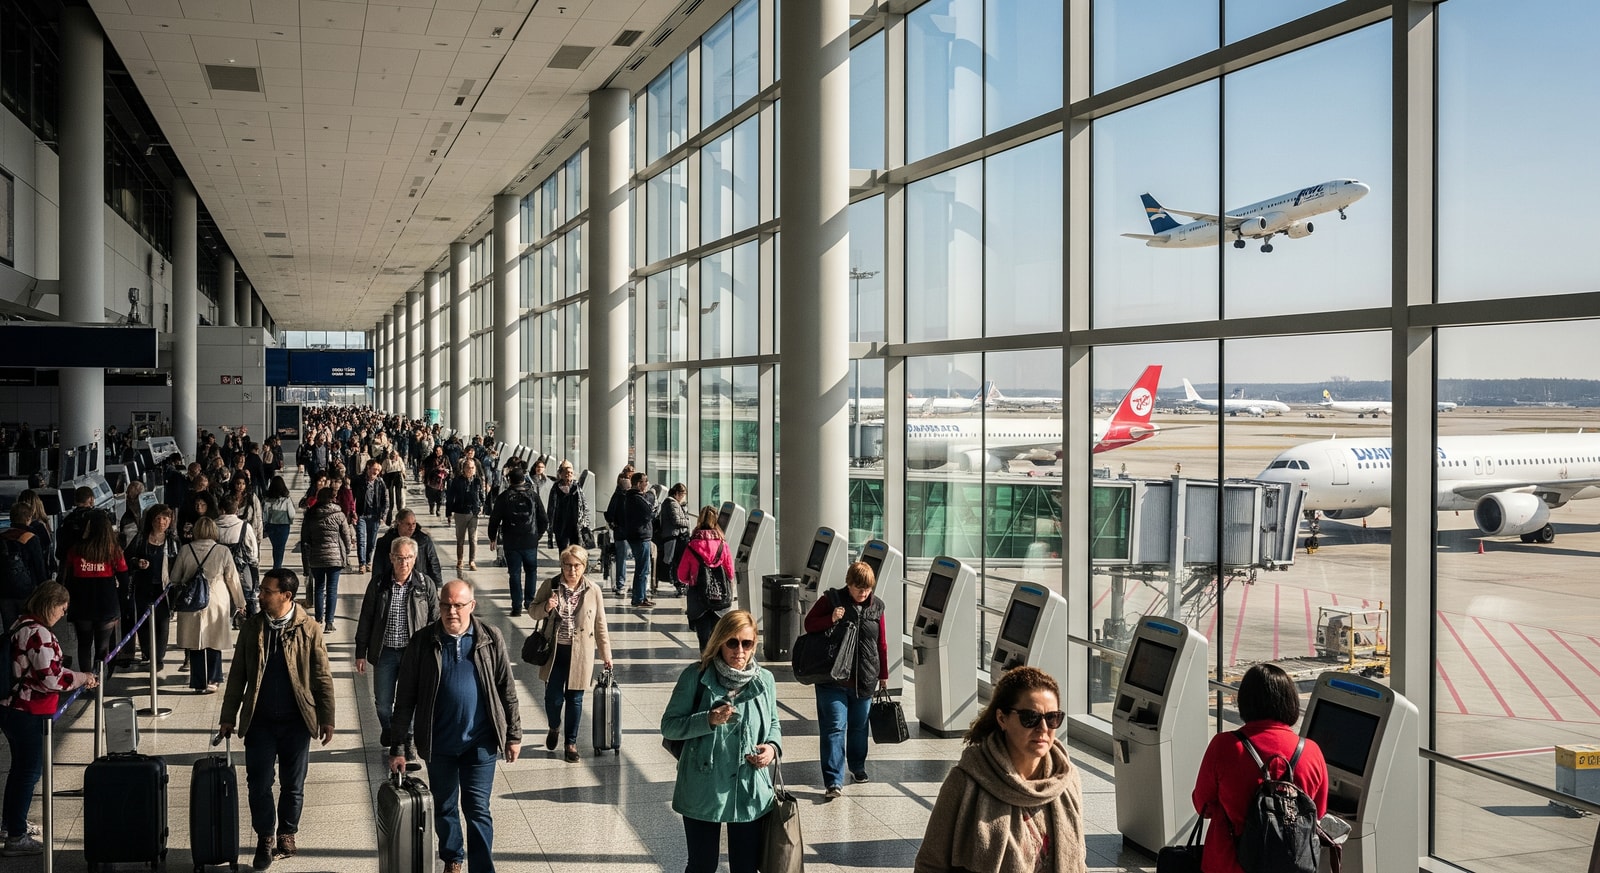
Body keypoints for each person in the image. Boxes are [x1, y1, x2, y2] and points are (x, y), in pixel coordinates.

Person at [388, 580, 521, 873]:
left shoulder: (490, 637)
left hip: (480, 742)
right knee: (445, 806)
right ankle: (453, 858)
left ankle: (482, 868)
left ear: (471, 606)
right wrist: (398, 747)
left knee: (478, 809)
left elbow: (506, 689)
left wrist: (513, 734)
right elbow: (405, 698)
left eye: (458, 605)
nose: (451, 611)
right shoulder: (423, 641)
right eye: (446, 605)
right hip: (440, 744)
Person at [915, 666, 1088, 873]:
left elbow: (1078, 861)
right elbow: (930, 864)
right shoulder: (965, 781)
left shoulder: (1066, 779)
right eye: (1030, 717)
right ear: (1002, 718)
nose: (1043, 728)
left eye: (1052, 718)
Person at [219, 568, 335, 871]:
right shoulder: (252, 627)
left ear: (286, 595)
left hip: (297, 720)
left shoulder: (309, 628)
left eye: (266, 592)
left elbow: (322, 676)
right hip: (260, 720)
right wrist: (228, 716)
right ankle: (265, 836)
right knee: (258, 783)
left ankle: (287, 832)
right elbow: (238, 675)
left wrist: (327, 717)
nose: (260, 595)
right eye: (260, 590)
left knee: (293, 783)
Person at [660, 610, 783, 873]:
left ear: (754, 645)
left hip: (748, 785)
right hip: (703, 785)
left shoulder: (765, 680)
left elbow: (773, 723)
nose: (740, 651)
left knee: (745, 867)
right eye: (732, 643)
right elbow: (669, 725)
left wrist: (772, 749)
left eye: (747, 643)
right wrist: (708, 719)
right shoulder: (695, 676)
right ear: (719, 642)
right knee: (702, 865)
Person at [1192, 663, 1329, 873]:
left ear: (1244, 702)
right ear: (1290, 702)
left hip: (1228, 864)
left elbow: (1203, 805)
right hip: (1291, 865)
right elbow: (1317, 811)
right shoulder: (1311, 751)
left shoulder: (1225, 746)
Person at [1, 582, 98, 855]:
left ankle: (12, 824)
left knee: (20, 770)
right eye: (62, 608)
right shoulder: (39, 633)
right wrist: (82, 678)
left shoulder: (21, 623)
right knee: (30, 772)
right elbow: (51, 678)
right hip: (28, 710)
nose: (63, 614)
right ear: (49, 604)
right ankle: (16, 837)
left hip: (12, 706)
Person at [803, 561, 890, 797]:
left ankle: (857, 766)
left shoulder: (877, 606)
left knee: (859, 727)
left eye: (867, 589)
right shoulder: (831, 600)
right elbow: (809, 624)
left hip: (865, 678)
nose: (863, 593)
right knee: (834, 727)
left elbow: (881, 643)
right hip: (832, 679)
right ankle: (833, 781)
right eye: (859, 588)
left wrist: (883, 674)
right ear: (848, 584)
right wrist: (831, 618)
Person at [355, 536, 441, 755]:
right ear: (391, 558)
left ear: (415, 558)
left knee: (411, 700)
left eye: (409, 557)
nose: (404, 562)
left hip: (413, 653)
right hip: (385, 652)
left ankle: (406, 739)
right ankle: (390, 729)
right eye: (400, 558)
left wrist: (434, 651)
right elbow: (366, 617)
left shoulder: (425, 584)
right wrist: (360, 652)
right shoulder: (378, 584)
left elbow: (435, 619)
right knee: (383, 703)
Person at [528, 545, 611, 762]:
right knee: (553, 698)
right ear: (561, 565)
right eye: (567, 565)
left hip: (581, 653)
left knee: (575, 699)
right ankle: (554, 726)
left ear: (584, 566)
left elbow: (600, 624)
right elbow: (532, 611)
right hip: (555, 652)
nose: (572, 570)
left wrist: (606, 655)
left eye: (577, 566)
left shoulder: (593, 590)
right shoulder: (551, 585)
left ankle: (570, 743)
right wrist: (546, 607)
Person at [170, 517, 247, 693]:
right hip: (216, 598)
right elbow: (232, 578)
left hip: (192, 600)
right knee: (214, 641)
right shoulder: (222, 550)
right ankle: (214, 679)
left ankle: (198, 682)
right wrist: (240, 602)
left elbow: (174, 577)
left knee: (195, 642)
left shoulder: (186, 550)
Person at [60, 514, 127, 677]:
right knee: (102, 647)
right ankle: (99, 680)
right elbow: (124, 577)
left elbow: (68, 578)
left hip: (81, 604)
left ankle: (86, 680)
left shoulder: (76, 550)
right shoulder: (113, 551)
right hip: (106, 605)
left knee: (84, 645)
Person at [123, 503, 178, 669]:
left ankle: (158, 658)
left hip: (164, 589)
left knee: (162, 623)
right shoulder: (141, 538)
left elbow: (178, 563)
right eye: (158, 518)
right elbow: (127, 558)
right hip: (143, 587)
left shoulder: (173, 541)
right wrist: (137, 562)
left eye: (165, 518)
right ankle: (147, 652)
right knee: (143, 622)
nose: (161, 522)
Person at [486, 469, 547, 617]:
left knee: (514, 574)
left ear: (509, 480)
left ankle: (516, 607)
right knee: (531, 572)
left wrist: (492, 537)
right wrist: (537, 535)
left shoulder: (504, 497)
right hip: (530, 541)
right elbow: (544, 519)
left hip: (511, 542)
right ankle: (529, 602)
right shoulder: (533, 495)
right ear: (524, 479)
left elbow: (494, 519)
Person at [676, 506, 736, 652]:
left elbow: (681, 576)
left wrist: (693, 578)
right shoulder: (723, 545)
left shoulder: (691, 546)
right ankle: (717, 662)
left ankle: (705, 661)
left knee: (704, 639)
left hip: (698, 598)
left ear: (699, 520)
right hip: (720, 598)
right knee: (719, 637)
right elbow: (730, 573)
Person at [299, 487, 354, 632]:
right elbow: (346, 536)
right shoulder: (339, 514)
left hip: (316, 556)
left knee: (319, 588)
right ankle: (329, 622)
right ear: (332, 498)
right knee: (332, 589)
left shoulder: (311, 514)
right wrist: (347, 551)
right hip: (335, 557)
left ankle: (318, 619)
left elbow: (305, 538)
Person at [0, 503, 47, 632]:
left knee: (9, 630)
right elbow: (39, 568)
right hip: (26, 591)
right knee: (28, 628)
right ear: (28, 518)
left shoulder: (2, 537)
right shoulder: (31, 538)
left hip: (4, 591)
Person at [614, 472, 656, 608]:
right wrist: (652, 500)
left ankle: (642, 596)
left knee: (643, 568)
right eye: (645, 481)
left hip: (638, 536)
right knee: (642, 569)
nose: (647, 484)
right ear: (638, 483)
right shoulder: (636, 498)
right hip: (640, 537)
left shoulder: (631, 497)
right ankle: (638, 598)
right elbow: (649, 513)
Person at [372, 510, 445, 587]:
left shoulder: (424, 541)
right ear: (399, 523)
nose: (411, 528)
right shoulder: (385, 542)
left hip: (418, 584)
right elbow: (378, 567)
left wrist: (437, 584)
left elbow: (433, 562)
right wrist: (376, 586)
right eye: (408, 524)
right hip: (391, 584)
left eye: (414, 524)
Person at [216, 495, 262, 617]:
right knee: (248, 597)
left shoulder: (213, 526)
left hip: (218, 570)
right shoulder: (244, 527)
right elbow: (253, 552)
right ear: (236, 510)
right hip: (240, 570)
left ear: (221, 510)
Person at [446, 457, 486, 572]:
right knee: (460, 539)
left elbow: (481, 495)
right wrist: (448, 512)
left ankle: (472, 561)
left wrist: (482, 505)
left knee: (473, 539)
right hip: (460, 512)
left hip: (473, 513)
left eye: (472, 468)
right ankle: (460, 560)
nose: (470, 470)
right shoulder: (457, 481)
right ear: (463, 468)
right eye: (468, 467)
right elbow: (450, 497)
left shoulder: (477, 481)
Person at [655, 483, 693, 597]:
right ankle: (679, 583)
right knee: (677, 561)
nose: (683, 497)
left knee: (674, 561)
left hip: (672, 536)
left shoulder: (670, 503)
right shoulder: (672, 503)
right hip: (674, 537)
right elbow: (676, 520)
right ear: (677, 493)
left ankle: (678, 583)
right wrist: (688, 522)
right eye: (683, 494)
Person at [352, 460, 389, 573]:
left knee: (371, 542)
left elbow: (385, 500)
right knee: (361, 540)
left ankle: (368, 561)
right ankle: (362, 563)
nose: (376, 472)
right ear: (368, 468)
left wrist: (383, 515)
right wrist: (352, 512)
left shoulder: (380, 482)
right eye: (374, 469)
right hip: (361, 515)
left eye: (378, 470)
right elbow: (351, 497)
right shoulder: (358, 480)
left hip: (374, 516)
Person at [545, 462, 589, 551]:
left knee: (575, 549)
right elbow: (551, 507)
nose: (569, 474)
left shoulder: (576, 486)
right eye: (566, 472)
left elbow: (583, 504)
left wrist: (585, 522)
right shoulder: (556, 487)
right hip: (560, 523)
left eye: (571, 473)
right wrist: (550, 524)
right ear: (561, 474)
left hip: (575, 523)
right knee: (562, 549)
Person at [261, 476, 297, 571]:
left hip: (271, 525)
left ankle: (276, 566)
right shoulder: (287, 500)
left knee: (275, 546)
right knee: (280, 547)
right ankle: (277, 567)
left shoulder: (267, 499)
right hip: (283, 526)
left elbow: (264, 514)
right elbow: (292, 514)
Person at [423, 446, 451, 517]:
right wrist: (436, 469)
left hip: (441, 480)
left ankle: (438, 509)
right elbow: (425, 467)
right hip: (431, 480)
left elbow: (449, 467)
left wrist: (448, 473)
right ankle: (431, 507)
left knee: (440, 497)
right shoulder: (429, 458)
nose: (438, 452)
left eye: (440, 450)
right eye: (437, 451)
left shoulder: (445, 458)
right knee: (430, 496)